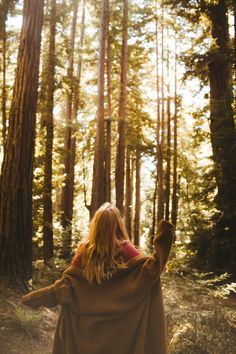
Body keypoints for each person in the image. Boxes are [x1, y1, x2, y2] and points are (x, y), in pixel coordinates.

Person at [22, 202, 176, 354]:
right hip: (120, 336)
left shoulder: (84, 251)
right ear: (117, 224)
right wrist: (164, 240)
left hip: (86, 334)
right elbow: (150, 271)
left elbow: (65, 286)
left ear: (95, 225)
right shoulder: (126, 249)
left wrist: (34, 298)